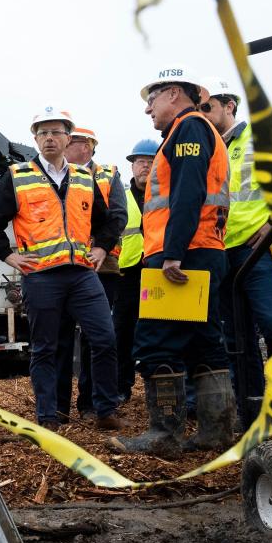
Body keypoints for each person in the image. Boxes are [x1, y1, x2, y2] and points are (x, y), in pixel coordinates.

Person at [0, 106, 125, 431]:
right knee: (45, 348)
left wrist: (101, 247)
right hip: (41, 277)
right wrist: (9, 256)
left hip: (83, 274)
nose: (49, 138)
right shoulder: (18, 177)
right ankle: (47, 417)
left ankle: (105, 409)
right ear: (35, 138)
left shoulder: (85, 178)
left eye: (56, 132)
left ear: (69, 137)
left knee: (105, 337)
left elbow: (108, 220)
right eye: (42, 133)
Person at [109, 65, 234, 457]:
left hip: (182, 255)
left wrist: (174, 252)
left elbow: (187, 193)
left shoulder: (188, 129)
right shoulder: (198, 130)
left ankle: (164, 434)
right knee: (203, 341)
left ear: (174, 94)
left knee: (156, 342)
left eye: (152, 99)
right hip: (203, 250)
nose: (149, 109)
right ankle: (216, 432)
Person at [199, 77, 272, 408]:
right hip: (220, 253)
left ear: (229, 105)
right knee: (236, 338)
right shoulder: (206, 148)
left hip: (258, 252)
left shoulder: (261, 138)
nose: (202, 113)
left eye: (207, 107)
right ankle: (252, 408)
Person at [55, 126, 128, 422]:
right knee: (59, 338)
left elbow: (118, 216)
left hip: (101, 267)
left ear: (86, 147)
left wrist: (99, 248)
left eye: (70, 141)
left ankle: (91, 404)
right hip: (60, 267)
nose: (63, 145)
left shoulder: (107, 175)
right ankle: (58, 408)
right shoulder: (53, 176)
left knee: (96, 338)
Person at [111, 139, 160, 404]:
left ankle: (159, 385)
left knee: (157, 331)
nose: (145, 167)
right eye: (141, 162)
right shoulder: (121, 197)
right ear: (132, 167)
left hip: (158, 271)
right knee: (123, 333)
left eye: (151, 162)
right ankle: (122, 387)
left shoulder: (166, 194)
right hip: (127, 274)